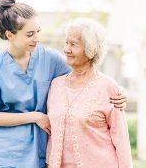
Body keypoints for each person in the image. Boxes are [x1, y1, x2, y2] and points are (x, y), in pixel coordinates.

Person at [0, 0, 127, 168]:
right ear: (10, 35)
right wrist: (35, 116)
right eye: (30, 34)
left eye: (38, 31)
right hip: (5, 155)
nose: (37, 39)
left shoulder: (50, 59)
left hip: (38, 154)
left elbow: (86, 75)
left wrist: (117, 90)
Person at [46, 18, 133, 168]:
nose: (67, 49)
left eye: (73, 44)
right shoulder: (56, 85)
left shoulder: (108, 87)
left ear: (90, 49)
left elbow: (121, 140)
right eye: (66, 43)